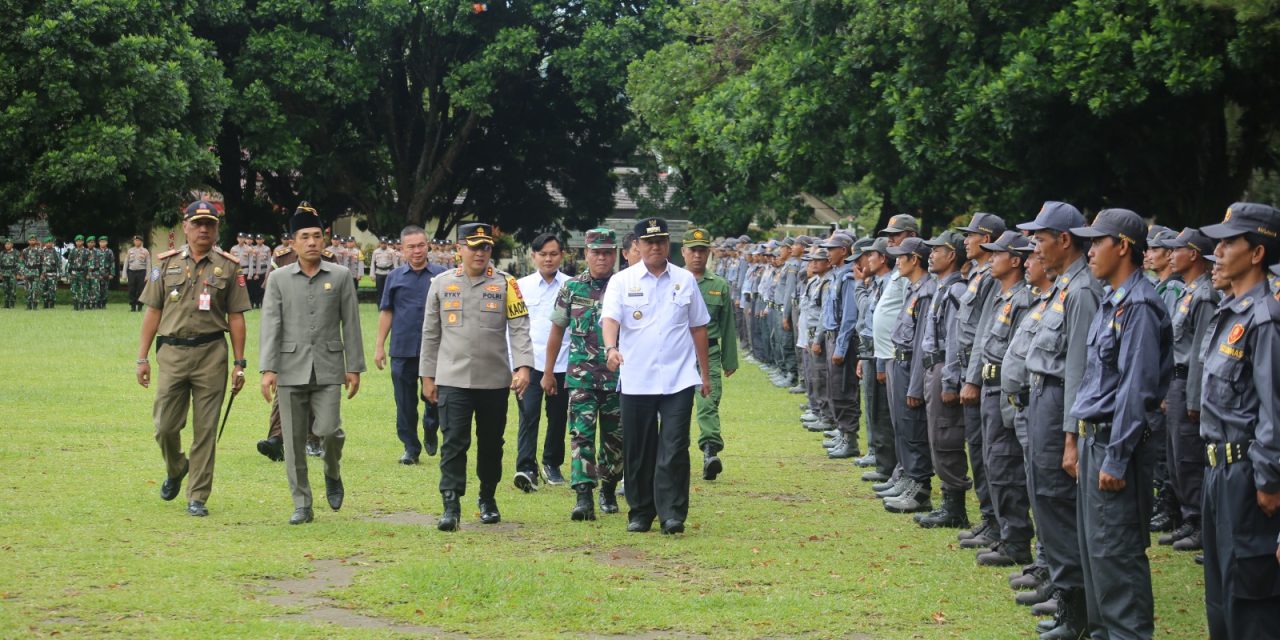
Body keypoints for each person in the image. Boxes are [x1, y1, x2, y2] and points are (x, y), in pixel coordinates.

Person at [1067, 209, 1172, 639]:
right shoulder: (1113, 301)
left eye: (1097, 242)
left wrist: (1116, 456)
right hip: (1096, 444)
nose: (1089, 251)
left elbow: (1135, 389)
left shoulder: (1141, 306)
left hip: (1115, 447)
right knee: (1097, 557)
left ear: (1123, 246)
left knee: (1118, 556)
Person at [1016, 201, 1101, 640]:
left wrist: (1071, 436)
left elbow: (1078, 369)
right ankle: (1069, 600)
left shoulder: (1082, 290)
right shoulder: (1064, 287)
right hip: (1042, 399)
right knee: (1045, 498)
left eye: (1041, 238)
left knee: (1056, 500)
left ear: (1065, 240)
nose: (1035, 246)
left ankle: (1078, 611)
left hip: (1058, 405)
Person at [135, 200, 250, 517]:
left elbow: (237, 317)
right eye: (197, 223)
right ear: (184, 227)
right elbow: (153, 311)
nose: (203, 229)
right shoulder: (165, 264)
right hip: (171, 354)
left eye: (210, 224)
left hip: (212, 354)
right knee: (165, 426)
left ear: (216, 229)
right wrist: (141, 358)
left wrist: (240, 364)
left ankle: (197, 496)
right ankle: (176, 467)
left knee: (205, 430)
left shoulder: (229, 267)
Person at [1197, 202, 1280, 639]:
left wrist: (1268, 479)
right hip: (1218, 471)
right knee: (1221, 596)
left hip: (1248, 478)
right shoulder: (1228, 312)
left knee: (1251, 601)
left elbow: (1274, 406)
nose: (1219, 250)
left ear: (1256, 253)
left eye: (1230, 242)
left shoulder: (1266, 319)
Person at [419, 222, 534, 531]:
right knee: (454, 442)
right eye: (474, 246)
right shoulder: (441, 284)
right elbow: (430, 334)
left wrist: (523, 366)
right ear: (460, 249)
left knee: (491, 444)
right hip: (453, 378)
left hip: (494, 380)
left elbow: (520, 328)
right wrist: (427, 377)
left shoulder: (507, 283)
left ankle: (488, 497)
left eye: (486, 247)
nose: (480, 253)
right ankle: (451, 503)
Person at [602, 218, 711, 535]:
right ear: (636, 245)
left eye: (661, 241)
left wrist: (704, 374)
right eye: (648, 242)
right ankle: (641, 510)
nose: (655, 247)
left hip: (678, 378)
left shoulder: (685, 280)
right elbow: (610, 319)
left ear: (669, 244)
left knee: (675, 445)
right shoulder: (622, 281)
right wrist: (611, 348)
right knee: (639, 448)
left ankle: (672, 513)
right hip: (637, 377)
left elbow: (698, 327)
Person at [259, 206, 365, 525]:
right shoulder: (278, 278)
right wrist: (268, 369)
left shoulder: (341, 276)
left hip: (329, 367)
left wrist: (354, 367)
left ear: (325, 240)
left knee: (330, 430)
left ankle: (332, 472)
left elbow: (352, 323)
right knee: (291, 442)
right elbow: (270, 324)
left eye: (317, 236)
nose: (311, 242)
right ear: (293, 243)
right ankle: (302, 503)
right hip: (291, 367)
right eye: (304, 237)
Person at [543, 227, 624, 520]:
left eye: (607, 252)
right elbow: (556, 332)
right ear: (585, 254)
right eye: (596, 252)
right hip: (581, 377)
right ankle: (583, 496)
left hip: (618, 379)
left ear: (614, 254)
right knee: (581, 435)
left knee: (616, 439)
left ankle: (608, 487)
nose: (601, 258)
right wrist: (549, 372)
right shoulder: (572, 288)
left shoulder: (626, 287)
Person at [972, 231, 1037, 567]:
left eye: (997, 253)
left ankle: (1016, 540)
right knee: (992, 462)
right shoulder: (1003, 297)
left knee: (1005, 464)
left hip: (1005, 393)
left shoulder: (1024, 301)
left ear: (1015, 260)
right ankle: (1001, 530)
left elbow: (1018, 357)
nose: (991, 258)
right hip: (989, 388)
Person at [1153, 227, 1219, 553]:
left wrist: (1193, 397)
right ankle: (1187, 518)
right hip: (1177, 381)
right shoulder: (1189, 292)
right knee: (1177, 455)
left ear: (1193, 254)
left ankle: (1199, 523)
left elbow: (1200, 354)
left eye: (1176, 249)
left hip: (1189, 381)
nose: (1169, 255)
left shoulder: (1204, 295)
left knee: (1190, 456)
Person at [949, 212, 1008, 546]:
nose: (966, 241)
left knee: (988, 453)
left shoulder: (988, 278)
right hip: (969, 370)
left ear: (986, 239)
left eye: (971, 235)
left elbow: (984, 334)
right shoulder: (978, 275)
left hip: (982, 374)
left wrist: (971, 379)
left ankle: (996, 522)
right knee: (978, 449)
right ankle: (989, 518)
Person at [374, 226, 445, 465]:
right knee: (404, 402)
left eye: (421, 245)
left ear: (428, 246)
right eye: (411, 247)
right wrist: (379, 346)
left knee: (434, 397)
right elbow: (387, 312)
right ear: (402, 250)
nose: (417, 251)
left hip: (435, 350)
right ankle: (410, 447)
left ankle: (431, 425)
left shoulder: (443, 275)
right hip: (402, 349)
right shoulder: (394, 278)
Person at [915, 230, 971, 528]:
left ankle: (955, 508)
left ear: (952, 255)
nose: (931, 254)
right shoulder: (941, 288)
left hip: (943, 370)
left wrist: (950, 382)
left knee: (946, 436)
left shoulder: (956, 291)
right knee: (937, 437)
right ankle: (948, 503)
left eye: (937, 250)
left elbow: (954, 341)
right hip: (932, 369)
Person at [512, 233, 571, 489]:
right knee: (528, 414)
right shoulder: (519, 286)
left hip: (563, 363)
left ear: (562, 255)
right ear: (533, 256)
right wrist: (513, 365)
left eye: (554, 253)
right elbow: (511, 327)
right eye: (543, 254)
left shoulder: (572, 285)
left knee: (558, 417)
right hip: (529, 364)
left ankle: (552, 464)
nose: (548, 258)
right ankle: (526, 468)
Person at [681, 227, 738, 480]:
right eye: (693, 250)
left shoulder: (718, 285)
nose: (697, 255)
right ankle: (672, 455)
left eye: (702, 250)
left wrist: (730, 359)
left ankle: (710, 452)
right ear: (683, 252)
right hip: (678, 353)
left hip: (710, 353)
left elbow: (727, 325)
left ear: (709, 253)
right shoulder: (673, 281)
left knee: (708, 403)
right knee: (675, 407)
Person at [125, 235, 151, 312]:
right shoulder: (130, 251)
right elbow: (126, 263)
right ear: (134, 241)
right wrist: (124, 274)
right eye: (135, 241)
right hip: (131, 272)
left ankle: (140, 306)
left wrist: (148, 275)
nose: (136, 242)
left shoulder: (145, 251)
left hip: (142, 272)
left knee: (141, 289)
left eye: (138, 240)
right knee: (131, 289)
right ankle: (132, 306)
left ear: (141, 241)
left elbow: (148, 264)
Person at [68, 235, 91, 310]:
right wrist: (69, 273)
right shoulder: (72, 251)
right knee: (74, 289)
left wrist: (88, 274)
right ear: (75, 242)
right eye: (77, 241)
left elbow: (90, 263)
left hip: (83, 272)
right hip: (74, 272)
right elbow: (70, 262)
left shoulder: (87, 251)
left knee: (83, 289)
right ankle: (75, 305)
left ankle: (82, 304)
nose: (79, 242)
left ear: (83, 242)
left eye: (80, 241)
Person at [21, 233, 42, 310]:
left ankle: (35, 305)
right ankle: (28, 305)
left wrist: (42, 273)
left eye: (33, 240)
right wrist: (22, 272)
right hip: (27, 271)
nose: (32, 241)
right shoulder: (25, 250)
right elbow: (22, 262)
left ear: (36, 241)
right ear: (28, 241)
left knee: (35, 289)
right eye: (30, 240)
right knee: (27, 289)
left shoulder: (39, 250)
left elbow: (43, 262)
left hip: (36, 271)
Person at [372, 236, 396, 303]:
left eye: (384, 243)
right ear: (379, 243)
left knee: (388, 290)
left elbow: (395, 263)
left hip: (388, 273)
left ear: (387, 243)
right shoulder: (375, 252)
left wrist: (396, 274)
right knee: (379, 290)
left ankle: (388, 305)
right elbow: (373, 263)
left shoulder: (392, 251)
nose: (383, 245)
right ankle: (380, 305)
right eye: (382, 243)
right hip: (379, 273)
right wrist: (372, 275)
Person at [96, 236, 116, 309]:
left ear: (107, 242)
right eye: (101, 242)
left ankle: (104, 304)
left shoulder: (109, 251)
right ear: (99, 243)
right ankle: (98, 304)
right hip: (98, 273)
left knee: (105, 289)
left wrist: (112, 273)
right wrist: (96, 274)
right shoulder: (96, 251)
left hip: (106, 273)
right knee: (97, 289)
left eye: (104, 242)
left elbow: (112, 263)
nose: (102, 243)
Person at [0, 237, 17, 308]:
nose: (7, 245)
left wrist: (18, 273)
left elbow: (19, 264)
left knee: (12, 289)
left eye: (9, 244)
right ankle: (6, 304)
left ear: (12, 245)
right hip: (4, 273)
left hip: (12, 273)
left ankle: (12, 304)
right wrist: (0, 273)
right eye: (6, 244)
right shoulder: (2, 253)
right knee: (5, 289)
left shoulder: (16, 253)